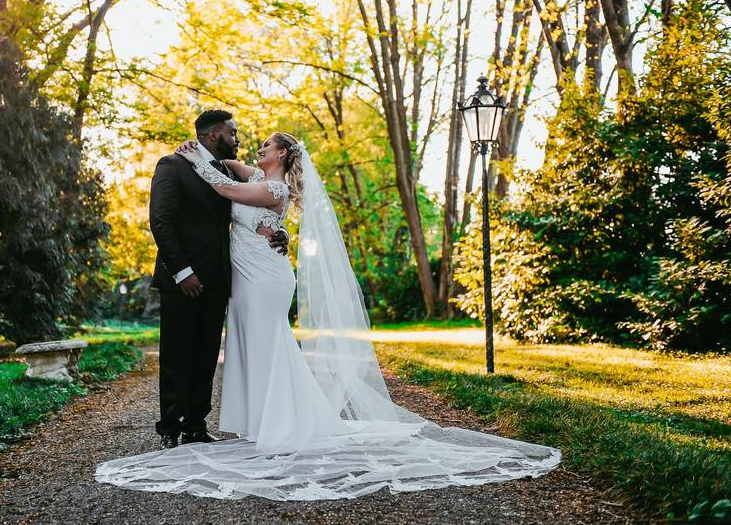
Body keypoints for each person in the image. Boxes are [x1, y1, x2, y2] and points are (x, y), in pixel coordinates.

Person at [98, 129, 560, 501]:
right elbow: (229, 172)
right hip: (250, 274)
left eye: (265, 145)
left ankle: (280, 425)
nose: (255, 147)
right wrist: (200, 153)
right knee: (254, 345)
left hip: (263, 278)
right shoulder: (260, 175)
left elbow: (224, 186)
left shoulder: (272, 187)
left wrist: (197, 159)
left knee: (267, 345)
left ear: (281, 155)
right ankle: (261, 421)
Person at [148, 110, 287, 449]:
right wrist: (183, 272)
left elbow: (257, 212)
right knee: (176, 353)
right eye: (233, 132)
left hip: (221, 279)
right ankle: (169, 427)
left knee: (207, 354)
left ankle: (196, 423)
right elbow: (161, 222)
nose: (238, 139)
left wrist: (279, 231)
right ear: (214, 135)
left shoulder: (227, 172)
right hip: (183, 279)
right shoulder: (172, 165)